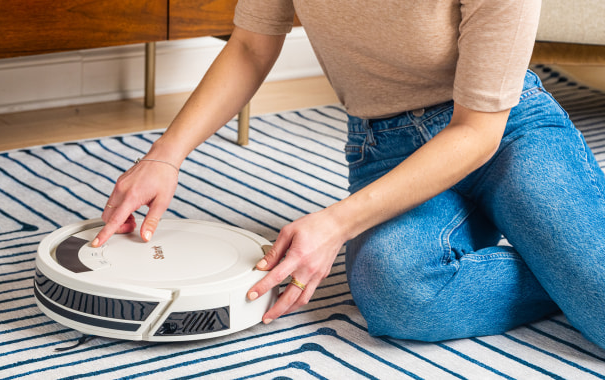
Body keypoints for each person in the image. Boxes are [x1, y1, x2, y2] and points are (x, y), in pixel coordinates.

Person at [92, 0, 605, 349]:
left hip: (505, 131)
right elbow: (250, 45)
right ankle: (566, 268)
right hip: (387, 147)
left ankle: (577, 273)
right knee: (398, 296)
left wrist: (336, 223)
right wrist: (165, 155)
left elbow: (477, 131)